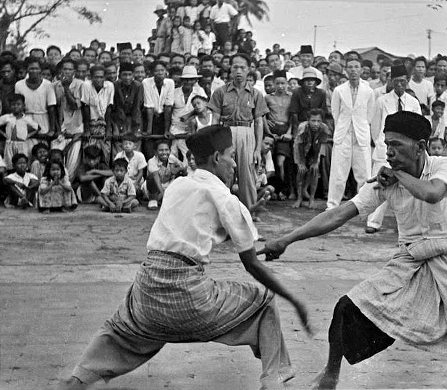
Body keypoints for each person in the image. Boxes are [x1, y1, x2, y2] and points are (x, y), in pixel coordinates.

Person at [259, 111, 447, 390]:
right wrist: (286, 239)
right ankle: (330, 375)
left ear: (420, 147)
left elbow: (431, 193)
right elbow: (339, 215)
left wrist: (397, 175)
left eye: (397, 145)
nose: (390, 152)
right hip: (408, 261)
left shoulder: (443, 164)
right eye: (387, 145)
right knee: (347, 309)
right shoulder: (383, 183)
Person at [56, 125, 311, 390]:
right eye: (231, 155)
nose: (234, 163)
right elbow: (251, 264)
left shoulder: (178, 185)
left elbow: (195, 228)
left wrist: (247, 222)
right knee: (264, 303)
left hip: (147, 293)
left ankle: (77, 379)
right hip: (189, 299)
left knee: (120, 328)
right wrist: (294, 300)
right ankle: (274, 381)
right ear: (216, 158)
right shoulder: (225, 198)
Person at [208, 53, 268, 217]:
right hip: (225, 133)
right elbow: (215, 119)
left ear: (249, 70)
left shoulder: (255, 94)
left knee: (247, 175)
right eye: (235, 67)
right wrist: (215, 143)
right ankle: (222, 215)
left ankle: (250, 213)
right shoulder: (220, 92)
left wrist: (257, 149)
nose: (239, 71)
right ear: (230, 69)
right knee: (224, 174)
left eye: (243, 67)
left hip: (247, 134)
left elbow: (259, 122)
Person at [366, 64, 421, 233]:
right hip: (385, 149)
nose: (399, 85)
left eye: (403, 82)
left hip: (407, 151)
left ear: (408, 81)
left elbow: (419, 126)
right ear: (390, 81)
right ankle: (373, 222)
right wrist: (382, 144)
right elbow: (375, 126)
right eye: (396, 81)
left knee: (407, 186)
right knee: (380, 183)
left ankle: (407, 225)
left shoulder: (413, 102)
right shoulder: (382, 101)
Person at [326, 57, 375, 209]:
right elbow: (335, 113)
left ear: (361, 70)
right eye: (350, 67)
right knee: (338, 173)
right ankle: (332, 205)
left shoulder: (368, 91)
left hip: (361, 134)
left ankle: (365, 205)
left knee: (364, 173)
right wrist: (343, 127)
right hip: (343, 134)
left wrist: (360, 126)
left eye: (356, 67)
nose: (353, 70)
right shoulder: (339, 91)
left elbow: (370, 114)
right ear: (346, 70)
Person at [51, 57, 84, 183]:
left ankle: (67, 192)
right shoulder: (54, 86)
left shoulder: (81, 85)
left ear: (74, 71)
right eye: (65, 69)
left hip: (75, 130)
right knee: (55, 163)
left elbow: (75, 105)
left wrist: (66, 87)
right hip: (60, 131)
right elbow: (53, 109)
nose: (67, 72)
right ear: (60, 70)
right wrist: (57, 130)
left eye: (70, 69)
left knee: (71, 168)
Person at [14, 57, 57, 149]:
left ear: (40, 70)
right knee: (25, 149)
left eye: (37, 68)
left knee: (42, 149)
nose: (34, 71)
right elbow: (17, 106)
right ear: (27, 70)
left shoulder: (47, 84)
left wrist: (52, 129)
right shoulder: (19, 85)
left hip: (43, 120)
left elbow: (51, 107)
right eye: (31, 68)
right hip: (26, 119)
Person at [292, 108, 330, 209]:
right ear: (308, 120)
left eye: (318, 121)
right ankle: (299, 198)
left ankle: (311, 198)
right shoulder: (302, 127)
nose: (316, 123)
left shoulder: (324, 128)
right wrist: (302, 163)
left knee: (314, 170)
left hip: (315, 147)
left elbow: (319, 145)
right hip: (301, 148)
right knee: (301, 171)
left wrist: (314, 162)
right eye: (313, 120)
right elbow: (300, 146)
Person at [264, 69, 294, 199]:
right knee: (270, 162)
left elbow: (293, 117)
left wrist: (289, 132)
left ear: (287, 83)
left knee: (281, 162)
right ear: (274, 84)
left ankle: (283, 189)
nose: (280, 86)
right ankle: (273, 191)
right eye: (278, 83)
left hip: (285, 129)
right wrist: (269, 131)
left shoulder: (291, 97)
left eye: (283, 83)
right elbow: (262, 116)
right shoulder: (268, 97)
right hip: (271, 131)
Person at [168, 65, 206, 160]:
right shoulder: (174, 92)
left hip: (192, 129)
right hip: (175, 129)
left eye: (191, 79)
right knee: (172, 157)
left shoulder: (199, 91)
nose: (188, 82)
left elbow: (205, 106)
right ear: (182, 80)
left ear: (195, 80)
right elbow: (168, 111)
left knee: (189, 157)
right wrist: (167, 129)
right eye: (186, 79)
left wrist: (189, 114)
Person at [142, 60, 174, 158]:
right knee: (149, 148)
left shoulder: (170, 82)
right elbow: (149, 106)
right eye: (157, 71)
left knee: (164, 147)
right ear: (152, 72)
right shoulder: (146, 82)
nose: (160, 73)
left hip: (164, 117)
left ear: (166, 71)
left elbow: (168, 106)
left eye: (162, 70)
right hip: (149, 117)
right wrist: (149, 130)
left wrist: (166, 129)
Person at [0, 94, 39, 169]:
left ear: (23, 105)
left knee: (22, 163)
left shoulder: (27, 119)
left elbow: (37, 128)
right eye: (13, 105)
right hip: (9, 144)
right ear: (10, 106)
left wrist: (28, 135)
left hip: (22, 144)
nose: (16, 106)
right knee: (9, 165)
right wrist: (4, 134)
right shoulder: (7, 117)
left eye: (18, 104)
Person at [145, 140, 186, 210]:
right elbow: (156, 178)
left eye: (166, 150)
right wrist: (164, 194)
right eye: (161, 150)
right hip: (154, 189)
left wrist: (177, 169)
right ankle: (153, 200)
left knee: (181, 176)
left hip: (167, 185)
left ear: (170, 151)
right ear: (155, 152)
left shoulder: (172, 158)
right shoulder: (152, 161)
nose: (164, 152)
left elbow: (183, 167)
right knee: (151, 177)